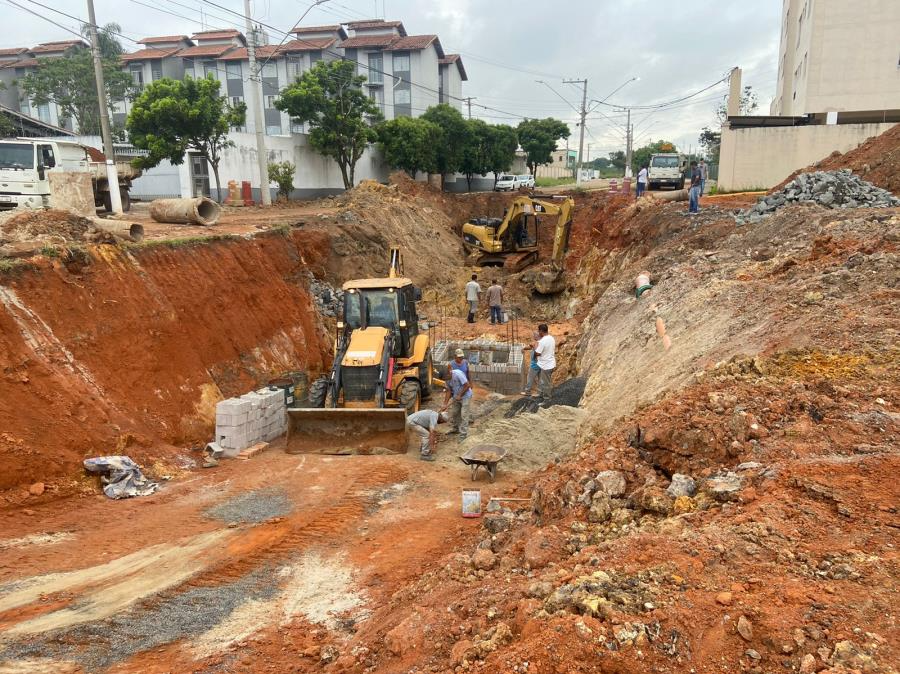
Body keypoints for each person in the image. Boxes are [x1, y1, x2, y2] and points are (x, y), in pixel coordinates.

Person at [441, 366, 472, 440]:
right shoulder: (446, 379)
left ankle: (463, 435)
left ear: (449, 373)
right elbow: (448, 391)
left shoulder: (458, 374)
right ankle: (456, 429)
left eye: (446, 378)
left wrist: (460, 395)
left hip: (466, 396)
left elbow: (467, 385)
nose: (446, 380)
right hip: (456, 396)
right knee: (454, 413)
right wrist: (445, 404)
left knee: (464, 415)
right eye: (444, 379)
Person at [534, 323, 556, 403]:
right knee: (546, 381)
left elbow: (537, 353)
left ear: (541, 331)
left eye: (538, 331)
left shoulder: (543, 341)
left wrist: (535, 346)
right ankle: (543, 394)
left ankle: (547, 399)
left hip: (546, 365)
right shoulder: (551, 338)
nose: (538, 332)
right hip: (551, 363)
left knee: (546, 382)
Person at [520, 330, 541, 396]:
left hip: (535, 365)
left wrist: (532, 346)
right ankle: (540, 392)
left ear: (537, 336)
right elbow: (530, 347)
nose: (533, 336)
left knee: (530, 378)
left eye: (534, 335)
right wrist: (524, 348)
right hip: (541, 364)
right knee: (540, 379)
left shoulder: (537, 343)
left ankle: (527, 392)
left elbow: (535, 349)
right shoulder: (541, 342)